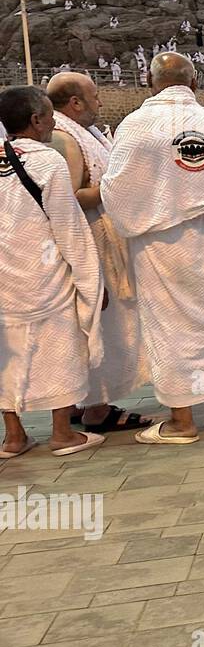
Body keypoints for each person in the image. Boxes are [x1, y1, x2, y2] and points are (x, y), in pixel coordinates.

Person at [101, 53, 204, 444]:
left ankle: (182, 421)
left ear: (148, 80)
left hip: (160, 240)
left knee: (169, 324)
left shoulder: (137, 126)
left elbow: (116, 187)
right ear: (195, 82)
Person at [0, 86, 106, 459]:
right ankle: (62, 433)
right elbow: (67, 225)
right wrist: (90, 276)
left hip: (3, 278)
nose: (51, 123)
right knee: (61, 347)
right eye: (48, 116)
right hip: (44, 275)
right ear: (35, 120)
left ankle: (13, 437)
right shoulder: (47, 160)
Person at [46, 71, 152, 433]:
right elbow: (69, 197)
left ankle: (87, 400)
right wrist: (120, 188)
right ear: (75, 102)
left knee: (105, 322)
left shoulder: (81, 132)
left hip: (102, 239)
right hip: (90, 244)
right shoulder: (63, 138)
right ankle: (96, 407)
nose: (100, 103)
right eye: (94, 96)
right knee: (101, 324)